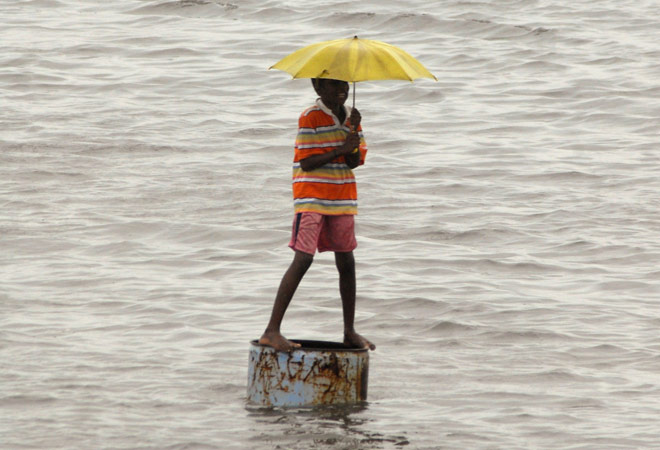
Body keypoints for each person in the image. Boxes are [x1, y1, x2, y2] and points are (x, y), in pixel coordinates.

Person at [259, 78, 376, 353]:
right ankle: (271, 330)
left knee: (346, 260)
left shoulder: (351, 118)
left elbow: (353, 162)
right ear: (318, 88)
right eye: (334, 85)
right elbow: (306, 162)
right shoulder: (309, 117)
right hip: (311, 196)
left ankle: (349, 331)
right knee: (303, 258)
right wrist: (340, 149)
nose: (342, 91)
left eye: (345, 86)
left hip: (342, 197)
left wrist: (354, 136)